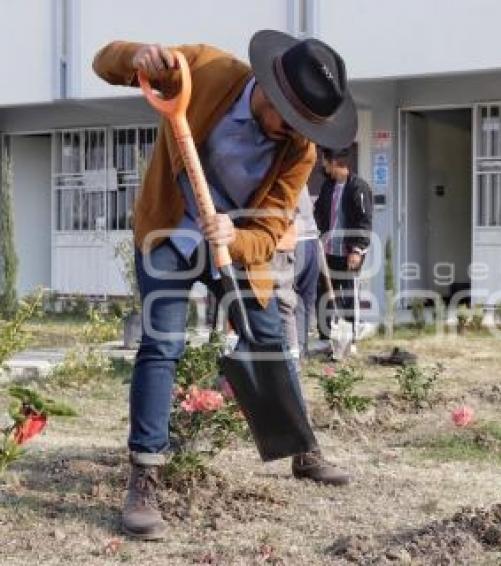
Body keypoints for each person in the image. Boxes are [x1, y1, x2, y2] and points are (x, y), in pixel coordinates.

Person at [92, 30, 358, 541]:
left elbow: (271, 229)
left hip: (230, 243)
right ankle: (144, 477)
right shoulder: (205, 71)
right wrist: (136, 58)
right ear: (268, 89)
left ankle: (301, 449)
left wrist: (236, 237)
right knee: (162, 344)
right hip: (171, 229)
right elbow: (106, 61)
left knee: (269, 342)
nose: (293, 132)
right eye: (290, 117)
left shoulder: (298, 149)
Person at [314, 147, 373, 340]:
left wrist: (357, 250)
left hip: (349, 253)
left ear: (335, 162)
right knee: (324, 294)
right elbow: (319, 213)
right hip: (328, 251)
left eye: (325, 161)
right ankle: (326, 337)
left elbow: (364, 221)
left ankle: (350, 338)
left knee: (348, 296)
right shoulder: (328, 186)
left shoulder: (358, 187)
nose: (323, 165)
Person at [274, 186, 321, 360]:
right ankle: (301, 348)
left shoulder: (287, 174)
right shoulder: (301, 175)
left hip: (296, 239)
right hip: (310, 238)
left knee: (289, 299)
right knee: (304, 298)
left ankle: (295, 350)